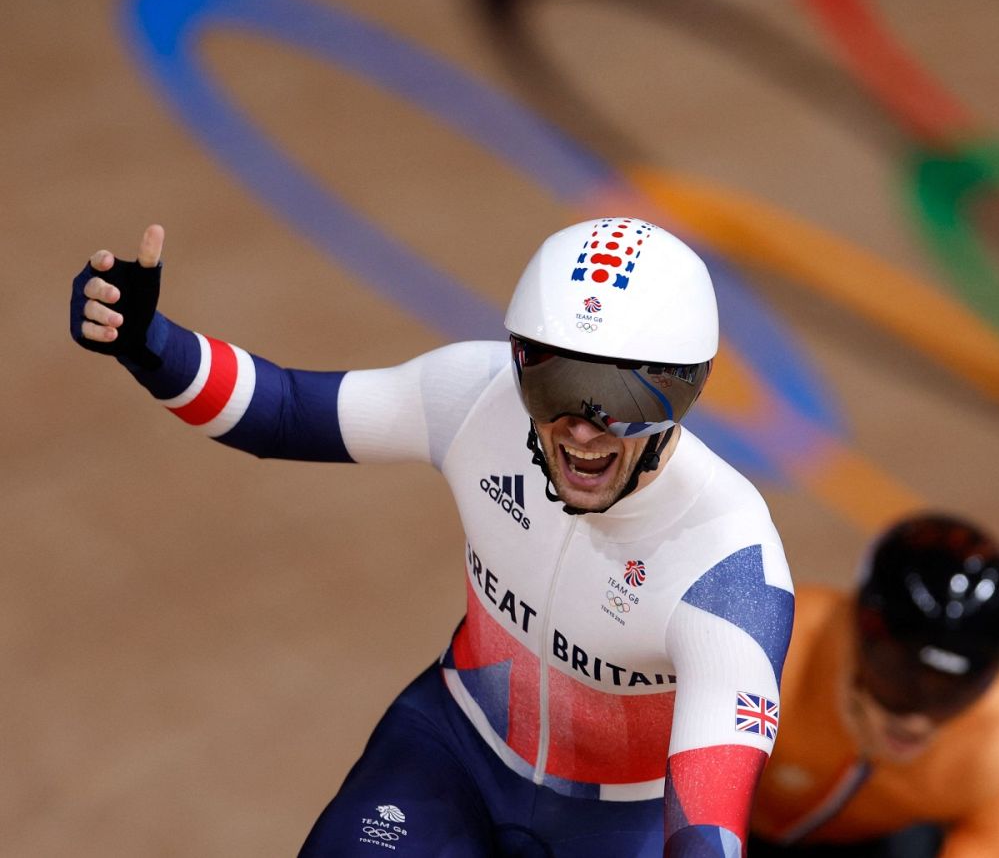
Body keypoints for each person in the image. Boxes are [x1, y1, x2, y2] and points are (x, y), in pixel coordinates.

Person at [70, 220, 795, 857]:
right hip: (453, 756)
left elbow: (707, 828)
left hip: (616, 828)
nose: (580, 427)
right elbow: (285, 410)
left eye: (617, 398)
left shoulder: (730, 566)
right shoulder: (478, 394)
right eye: (554, 384)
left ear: (682, 392)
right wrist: (151, 344)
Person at [749, 514, 999, 858]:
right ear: (856, 633)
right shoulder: (765, 649)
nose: (917, 722)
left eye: (950, 693)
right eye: (899, 676)